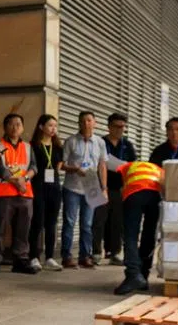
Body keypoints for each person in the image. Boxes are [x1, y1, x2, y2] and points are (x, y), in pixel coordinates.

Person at [0, 113, 36, 274]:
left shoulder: (28, 147)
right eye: (11, 124)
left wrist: (24, 179)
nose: (15, 127)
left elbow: (34, 167)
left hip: (25, 194)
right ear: (5, 127)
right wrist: (15, 181)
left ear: (22, 128)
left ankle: (21, 259)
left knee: (23, 228)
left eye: (18, 124)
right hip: (4, 193)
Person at [61, 111, 107, 269]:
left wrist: (104, 188)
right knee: (69, 222)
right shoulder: (70, 141)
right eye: (83, 121)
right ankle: (66, 256)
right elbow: (62, 164)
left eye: (89, 120)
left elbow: (102, 166)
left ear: (95, 123)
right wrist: (74, 168)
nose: (86, 123)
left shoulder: (100, 142)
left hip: (92, 187)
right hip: (72, 187)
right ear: (79, 123)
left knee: (87, 224)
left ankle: (84, 256)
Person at [112, 160, 165, 295]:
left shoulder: (125, 167)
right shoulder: (157, 168)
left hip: (134, 193)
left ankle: (133, 274)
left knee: (130, 235)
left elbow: (119, 186)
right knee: (149, 234)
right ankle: (143, 275)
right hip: (155, 195)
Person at [94, 112, 136, 266]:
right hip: (100, 186)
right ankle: (96, 252)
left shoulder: (127, 144)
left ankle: (114, 252)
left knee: (117, 221)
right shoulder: (100, 142)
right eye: (116, 126)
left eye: (122, 127)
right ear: (109, 126)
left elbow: (132, 165)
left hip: (119, 188)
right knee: (99, 220)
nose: (119, 130)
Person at [28, 114, 63, 271]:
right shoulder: (34, 145)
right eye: (50, 125)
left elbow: (59, 165)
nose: (53, 129)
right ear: (41, 127)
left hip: (54, 187)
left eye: (55, 126)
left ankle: (49, 256)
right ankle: (34, 256)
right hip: (39, 186)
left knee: (52, 223)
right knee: (37, 221)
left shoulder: (57, 146)